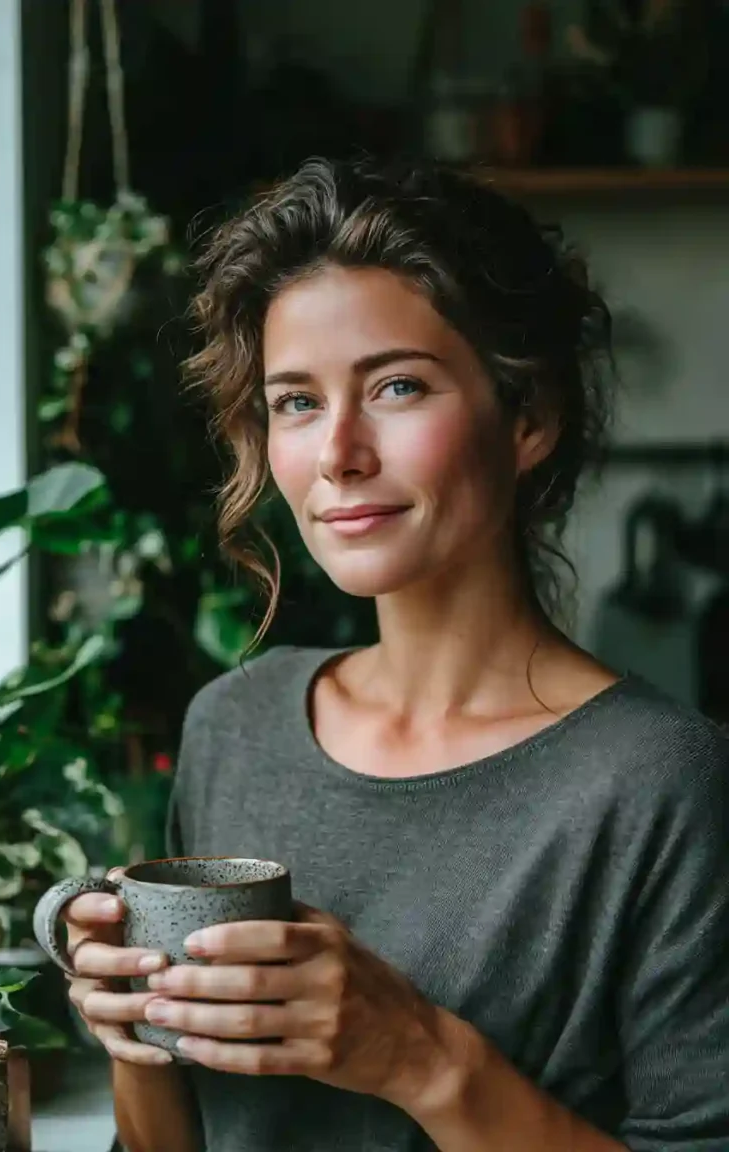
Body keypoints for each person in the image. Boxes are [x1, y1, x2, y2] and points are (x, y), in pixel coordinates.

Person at [63, 157, 729, 1152]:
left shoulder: (659, 783)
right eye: (295, 402)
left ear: (529, 416)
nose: (338, 453)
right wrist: (131, 1033)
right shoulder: (235, 724)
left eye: (398, 386)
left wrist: (416, 1055)